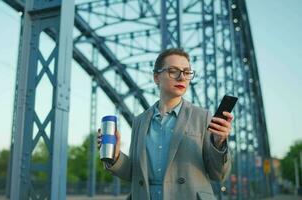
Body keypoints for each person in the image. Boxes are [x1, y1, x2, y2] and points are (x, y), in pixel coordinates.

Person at [97, 48, 233, 200]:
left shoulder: (203, 117)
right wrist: (115, 156)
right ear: (156, 77)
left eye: (187, 72)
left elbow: (219, 174)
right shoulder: (139, 121)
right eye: (173, 71)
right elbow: (134, 174)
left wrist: (219, 143)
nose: (182, 77)